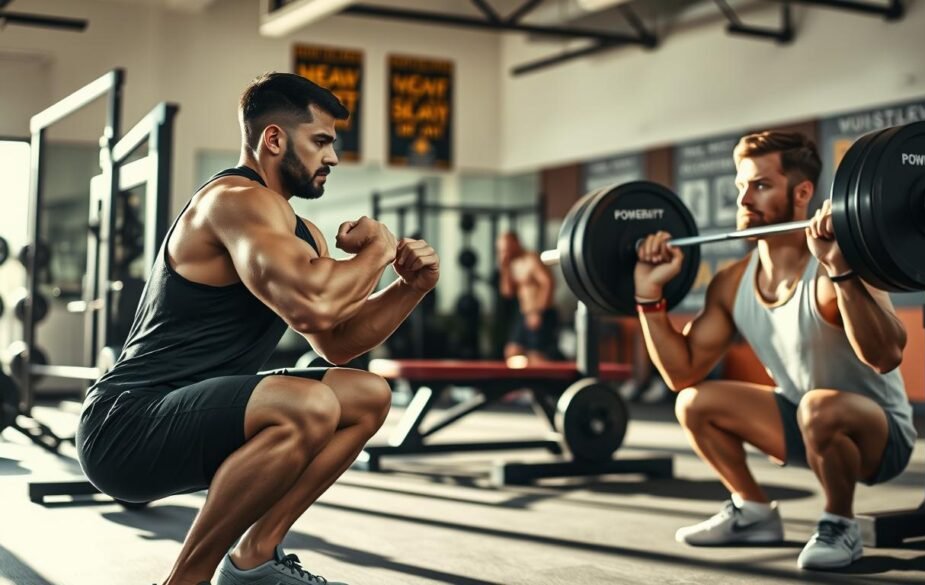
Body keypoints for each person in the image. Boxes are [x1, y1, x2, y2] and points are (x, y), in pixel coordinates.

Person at [76, 72, 440, 585]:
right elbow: (314, 306)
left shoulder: (298, 230)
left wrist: (410, 288)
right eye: (320, 142)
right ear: (274, 139)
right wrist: (380, 250)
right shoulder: (233, 201)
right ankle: (186, 581)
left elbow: (336, 341)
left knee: (365, 394)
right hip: (127, 424)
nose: (331, 158)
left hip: (198, 409)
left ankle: (254, 560)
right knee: (308, 404)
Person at [633, 131, 915, 571]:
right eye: (741, 186)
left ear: (802, 193)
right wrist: (649, 297)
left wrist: (841, 270)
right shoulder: (732, 282)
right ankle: (753, 511)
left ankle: (840, 523)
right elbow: (681, 373)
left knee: (819, 408)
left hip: (879, 437)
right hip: (800, 420)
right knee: (695, 403)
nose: (745, 199)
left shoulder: (835, 264)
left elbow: (886, 355)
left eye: (761, 185)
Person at [497, 231, 562, 364]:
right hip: (524, 313)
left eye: (507, 248)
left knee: (536, 356)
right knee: (512, 351)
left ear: (516, 244)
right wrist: (505, 268)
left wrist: (538, 312)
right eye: (501, 250)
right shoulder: (512, 264)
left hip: (541, 312)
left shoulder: (531, 259)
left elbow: (548, 283)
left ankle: (545, 384)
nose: (505, 252)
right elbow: (507, 293)